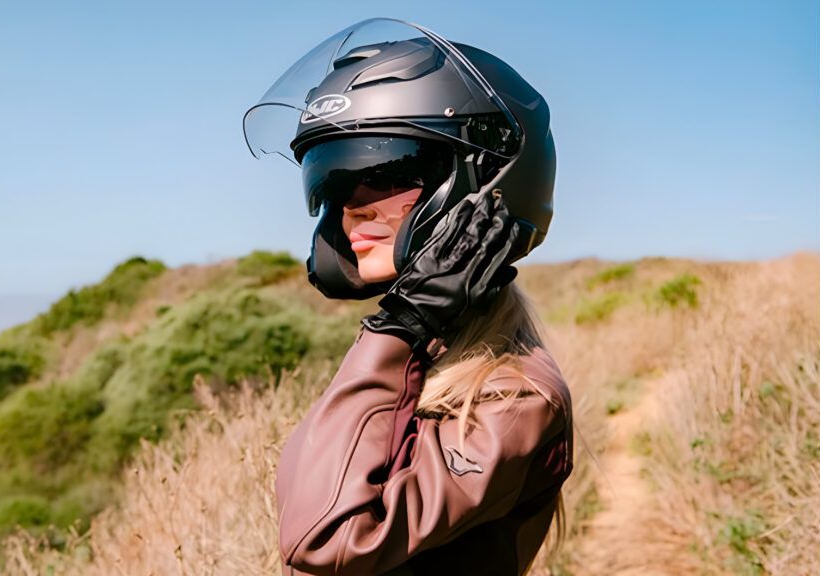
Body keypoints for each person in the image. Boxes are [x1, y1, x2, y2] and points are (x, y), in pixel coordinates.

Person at [243, 19, 574, 575]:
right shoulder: (420, 356)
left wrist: (399, 325)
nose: (353, 206)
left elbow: (325, 540)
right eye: (332, 182)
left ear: (482, 185)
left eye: (385, 174)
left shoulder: (514, 399)